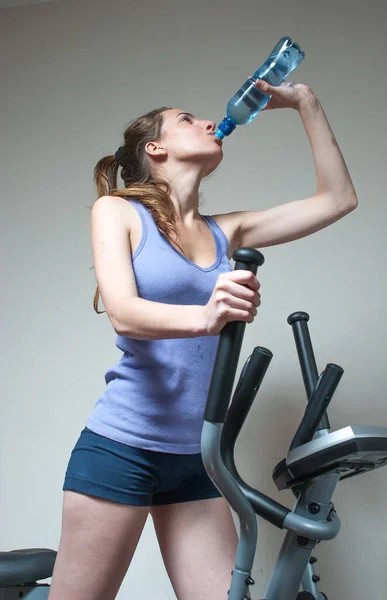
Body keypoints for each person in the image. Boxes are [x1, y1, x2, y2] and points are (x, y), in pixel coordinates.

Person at [48, 79, 357, 600]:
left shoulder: (226, 232)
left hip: (198, 458)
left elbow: (338, 199)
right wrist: (207, 314)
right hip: (121, 447)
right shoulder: (119, 212)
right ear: (156, 147)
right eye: (187, 119)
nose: (209, 122)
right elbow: (123, 313)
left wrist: (306, 102)